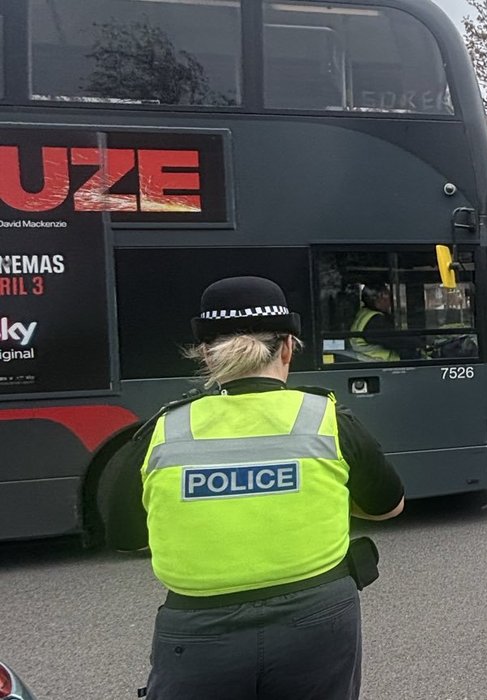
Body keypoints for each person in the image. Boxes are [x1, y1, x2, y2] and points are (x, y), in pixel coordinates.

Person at [103, 275, 405, 700]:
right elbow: (389, 506)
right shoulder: (327, 419)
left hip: (199, 630)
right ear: (286, 348)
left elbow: (125, 537)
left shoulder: (162, 431)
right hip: (317, 619)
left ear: (208, 355)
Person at [350, 282, 404, 361]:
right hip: (380, 363)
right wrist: (418, 341)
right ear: (380, 297)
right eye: (388, 296)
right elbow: (395, 340)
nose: (390, 301)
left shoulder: (364, 313)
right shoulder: (375, 320)